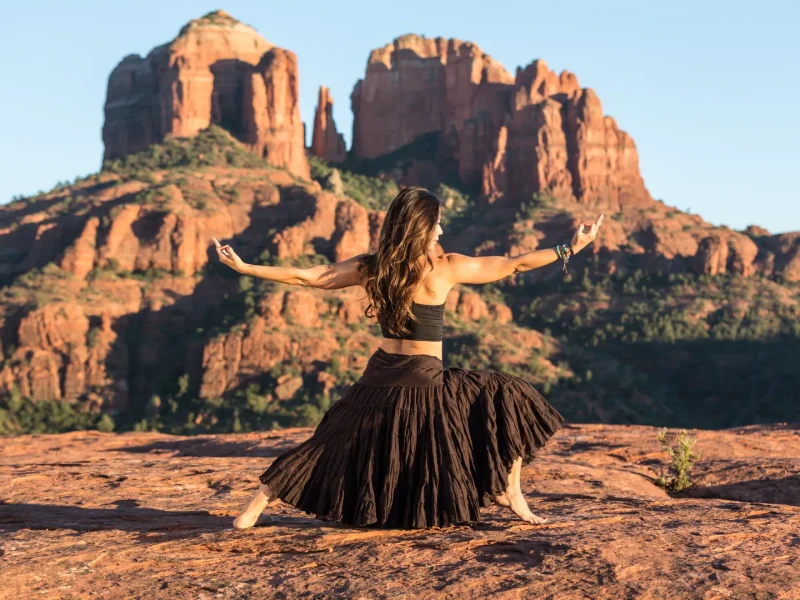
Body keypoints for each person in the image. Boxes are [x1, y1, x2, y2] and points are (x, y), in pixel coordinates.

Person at [212, 186, 604, 530]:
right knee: (512, 394)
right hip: (423, 378)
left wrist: (245, 267)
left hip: (378, 375)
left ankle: (253, 507)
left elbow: (307, 276)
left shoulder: (372, 267)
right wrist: (569, 248)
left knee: (328, 441)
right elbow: (513, 263)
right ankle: (510, 490)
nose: (441, 230)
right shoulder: (445, 267)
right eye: (437, 224)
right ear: (421, 227)